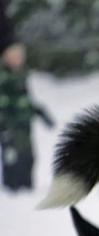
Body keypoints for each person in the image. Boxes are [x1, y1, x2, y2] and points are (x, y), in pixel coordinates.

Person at [0, 0, 35, 191]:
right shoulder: (4, 76)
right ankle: (13, 187)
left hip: (23, 123)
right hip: (9, 124)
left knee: (27, 155)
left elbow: (26, 97)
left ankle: (25, 185)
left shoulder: (19, 74)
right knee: (12, 155)